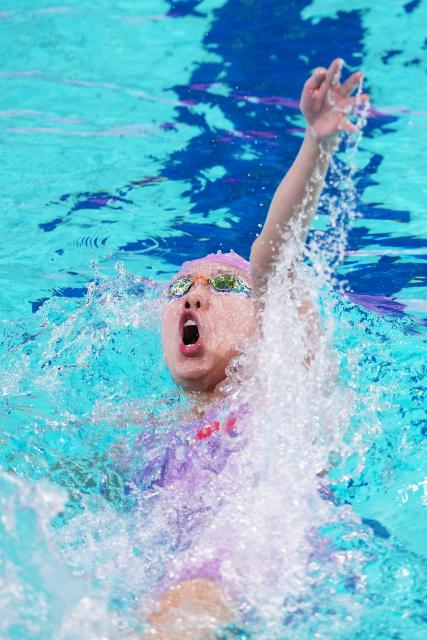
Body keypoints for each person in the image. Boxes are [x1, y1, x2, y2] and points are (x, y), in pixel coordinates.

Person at [138, 58, 369, 638]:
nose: (194, 299)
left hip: (269, 559)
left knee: (183, 602)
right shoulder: (144, 430)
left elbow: (274, 248)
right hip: (181, 579)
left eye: (222, 287)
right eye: (181, 289)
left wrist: (316, 145)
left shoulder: (274, 385)